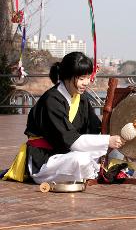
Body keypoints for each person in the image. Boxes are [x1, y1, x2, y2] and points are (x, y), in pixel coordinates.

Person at [2, 52, 125, 184]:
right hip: (45, 160)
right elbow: (72, 141)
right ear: (67, 77)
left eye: (88, 77)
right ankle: (93, 173)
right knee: (81, 159)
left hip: (67, 153)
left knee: (115, 154)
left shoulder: (81, 98)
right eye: (82, 78)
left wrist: (118, 134)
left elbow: (95, 128)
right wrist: (107, 141)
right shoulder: (52, 100)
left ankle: (94, 172)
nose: (86, 83)